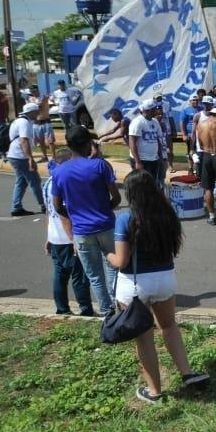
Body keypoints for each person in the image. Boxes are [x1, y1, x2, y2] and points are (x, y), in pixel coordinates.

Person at [106, 170, 209, 404]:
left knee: (144, 339)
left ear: (130, 193)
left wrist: (108, 255)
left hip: (134, 285)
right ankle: (187, 373)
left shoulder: (126, 219)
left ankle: (154, 391)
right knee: (170, 327)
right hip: (165, 279)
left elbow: (121, 261)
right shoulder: (167, 215)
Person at [52, 126, 122, 317]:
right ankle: (119, 305)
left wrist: (74, 215)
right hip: (106, 225)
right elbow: (116, 197)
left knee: (94, 275)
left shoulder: (59, 172)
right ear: (87, 144)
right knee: (113, 268)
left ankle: (107, 312)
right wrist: (105, 208)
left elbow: (57, 206)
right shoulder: (99, 166)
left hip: (82, 231)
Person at [42, 149, 94, 316]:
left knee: (60, 274)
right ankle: (85, 309)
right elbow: (64, 216)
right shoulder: (63, 183)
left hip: (55, 237)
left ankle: (62, 308)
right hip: (68, 238)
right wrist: (74, 240)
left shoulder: (48, 182)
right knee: (79, 276)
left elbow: (49, 212)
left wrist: (48, 236)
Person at [6, 102, 45, 216]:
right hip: (20, 156)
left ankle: (16, 207)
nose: (38, 113)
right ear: (31, 112)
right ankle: (44, 205)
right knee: (35, 180)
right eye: (36, 111)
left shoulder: (19, 120)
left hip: (14, 155)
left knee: (21, 182)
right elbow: (24, 140)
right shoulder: (24, 122)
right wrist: (30, 158)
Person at [128, 100, 164, 183]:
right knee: (141, 185)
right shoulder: (138, 122)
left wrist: (160, 156)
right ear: (149, 110)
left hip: (154, 159)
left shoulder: (155, 122)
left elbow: (157, 140)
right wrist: (137, 162)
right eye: (155, 108)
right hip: (142, 160)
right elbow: (132, 142)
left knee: (152, 184)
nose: (157, 110)